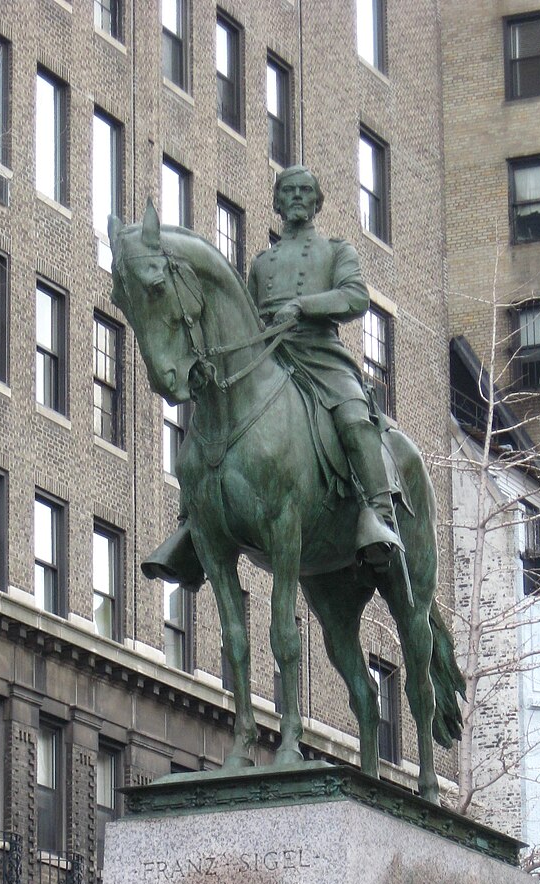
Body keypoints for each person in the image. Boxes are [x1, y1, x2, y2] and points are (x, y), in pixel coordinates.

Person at [143, 164, 402, 588]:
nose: (297, 197)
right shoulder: (262, 263)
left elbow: (355, 297)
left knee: (354, 418)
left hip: (320, 355)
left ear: (316, 202)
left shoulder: (337, 251)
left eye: (305, 191)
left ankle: (377, 514)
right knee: (211, 418)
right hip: (269, 357)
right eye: (289, 191)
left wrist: (304, 307)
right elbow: (242, 313)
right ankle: (191, 522)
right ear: (278, 202)